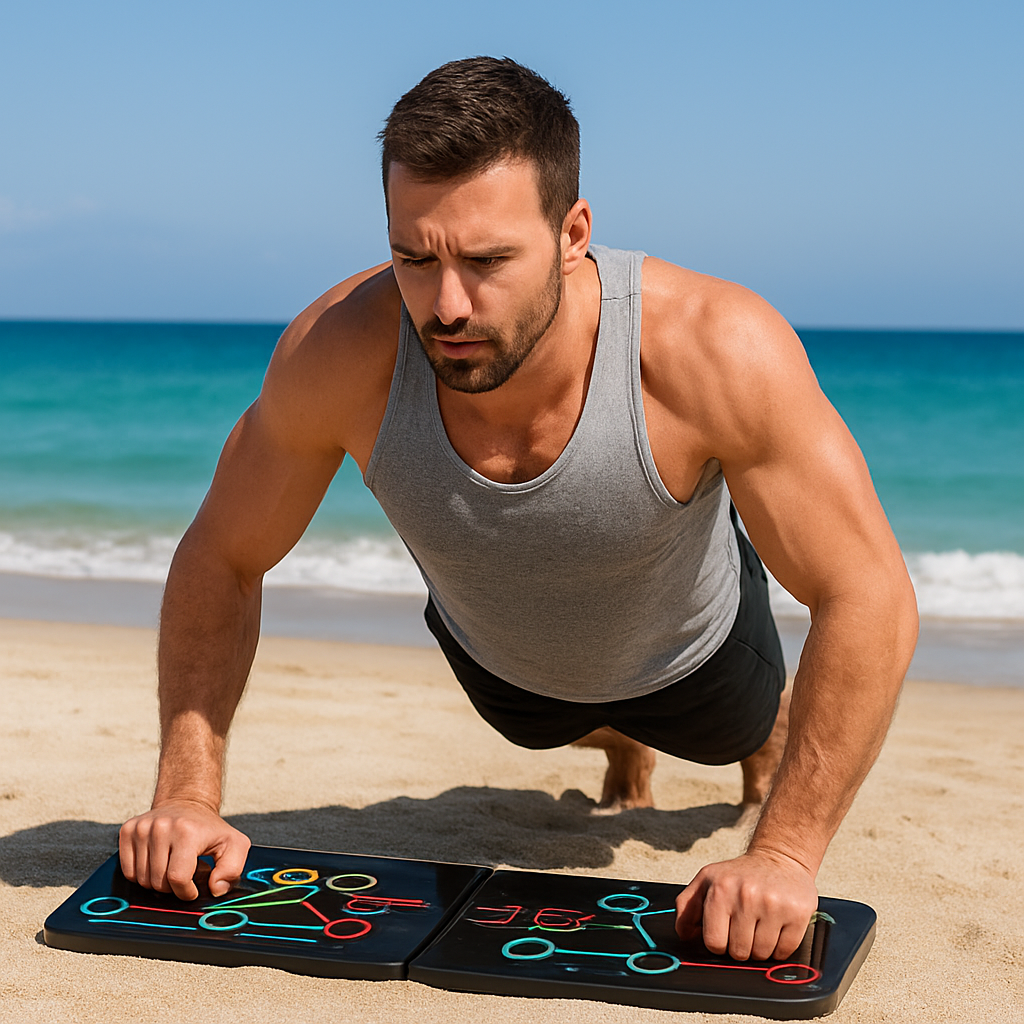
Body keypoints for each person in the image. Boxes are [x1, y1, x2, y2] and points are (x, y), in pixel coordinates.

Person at [119, 57, 918, 964]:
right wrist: (186, 794)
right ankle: (621, 750)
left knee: (745, 728)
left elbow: (868, 589)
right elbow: (223, 553)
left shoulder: (712, 345)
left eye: (488, 260)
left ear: (574, 232)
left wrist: (782, 853)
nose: (446, 305)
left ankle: (748, 741)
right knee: (554, 718)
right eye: (413, 259)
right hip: (505, 670)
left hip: (693, 656)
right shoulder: (338, 349)